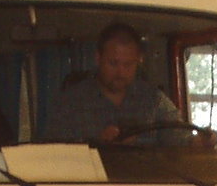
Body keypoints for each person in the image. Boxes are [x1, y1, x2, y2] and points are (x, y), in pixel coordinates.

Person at [60, 22, 195, 146]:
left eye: (128, 64)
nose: (121, 72)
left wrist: (200, 141)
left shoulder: (155, 101)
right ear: (98, 59)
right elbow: (53, 153)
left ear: (139, 61)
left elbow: (181, 138)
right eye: (113, 63)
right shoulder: (71, 102)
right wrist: (97, 143)